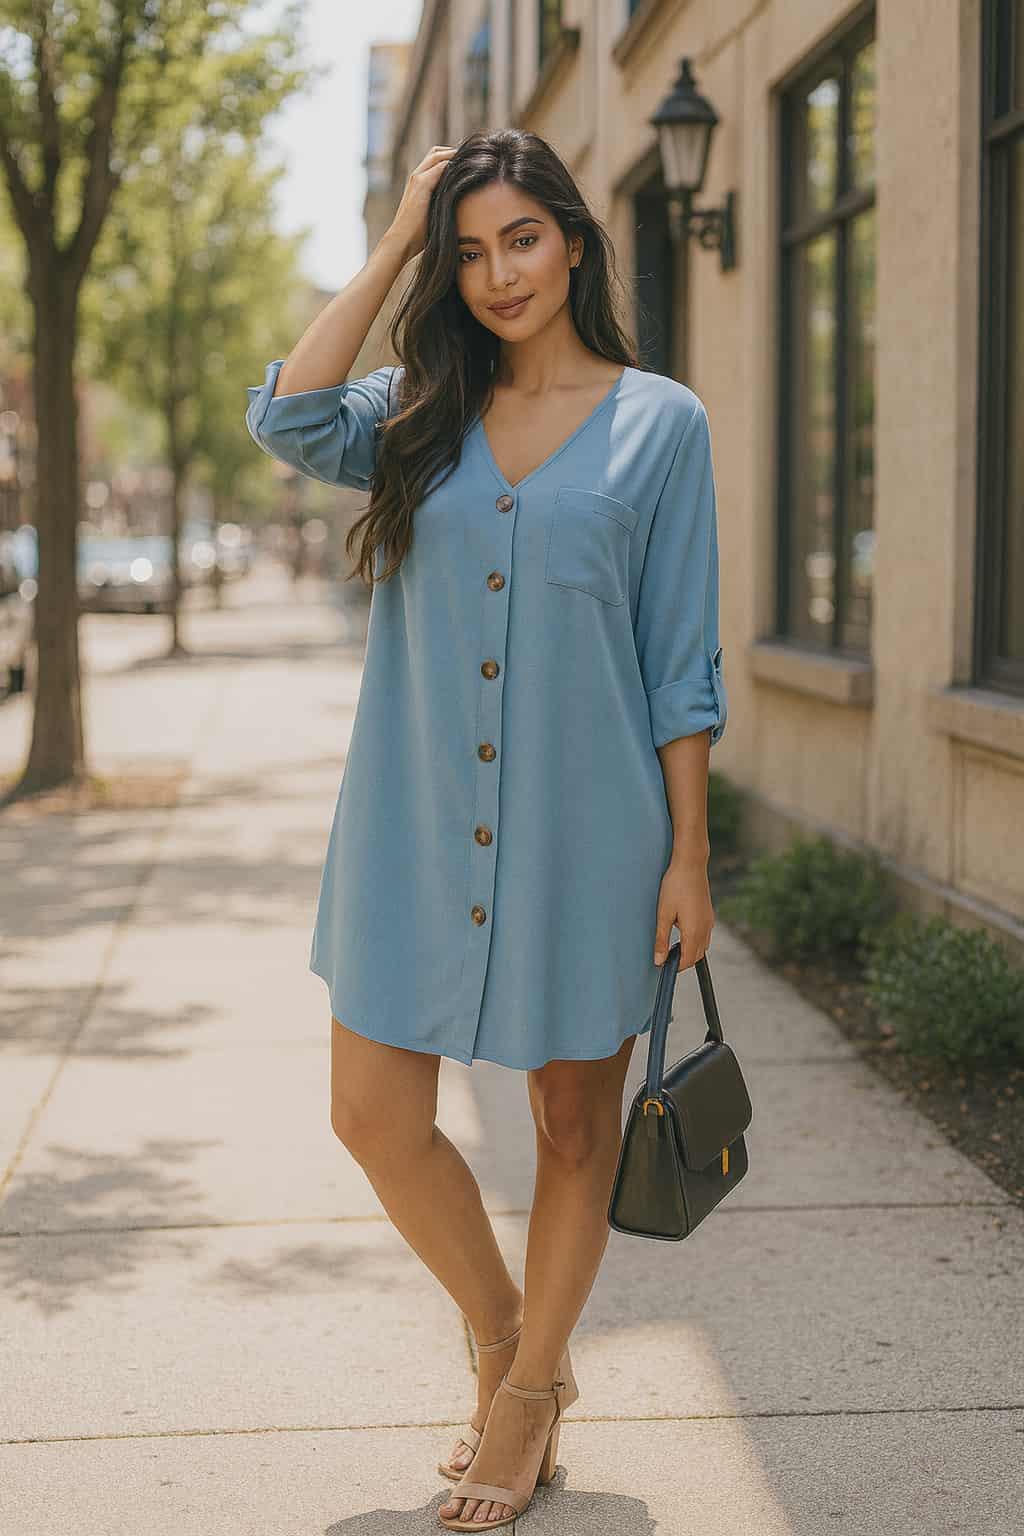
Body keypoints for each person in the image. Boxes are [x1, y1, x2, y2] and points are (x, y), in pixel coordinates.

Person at [245, 129, 727, 1531]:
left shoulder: (663, 426)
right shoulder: (417, 409)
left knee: (573, 1119)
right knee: (371, 1115)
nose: (497, 272)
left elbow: (679, 659)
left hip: (594, 831)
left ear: (574, 241)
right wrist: (399, 236)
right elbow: (284, 413)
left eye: (520, 238)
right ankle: (514, 1340)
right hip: (411, 824)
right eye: (469, 252)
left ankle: (523, 1407)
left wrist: (689, 855)